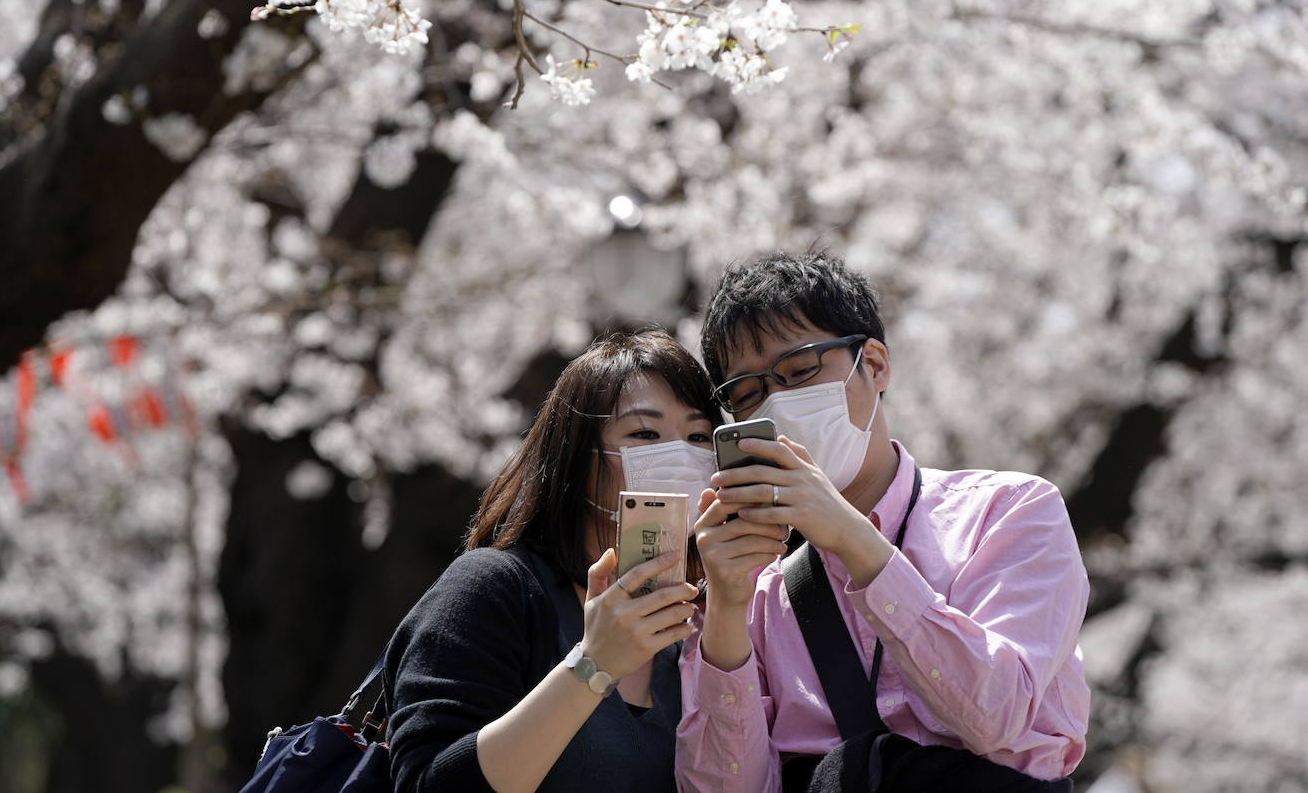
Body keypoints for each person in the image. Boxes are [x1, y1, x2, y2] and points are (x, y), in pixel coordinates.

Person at [677, 252, 1089, 792]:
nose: (778, 404)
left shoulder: (1008, 511)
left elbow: (997, 717)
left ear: (874, 364)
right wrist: (726, 613)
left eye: (800, 371)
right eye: (748, 395)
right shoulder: (754, 590)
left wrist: (850, 537)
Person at [385, 330, 725, 793]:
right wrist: (593, 664)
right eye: (645, 433)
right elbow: (426, 783)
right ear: (578, 456)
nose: (680, 455)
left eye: (699, 436)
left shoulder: (697, 627)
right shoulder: (494, 588)